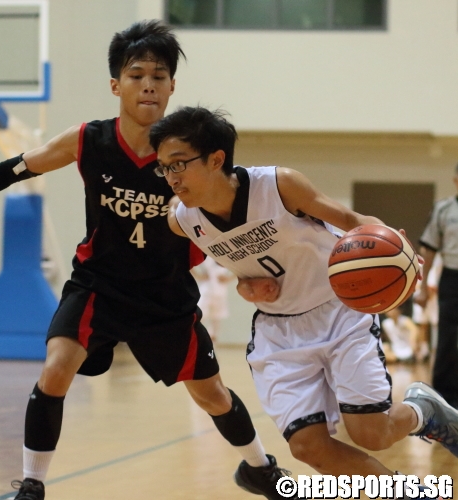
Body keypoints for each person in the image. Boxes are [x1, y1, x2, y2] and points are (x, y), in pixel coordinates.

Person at [0, 21, 292, 500]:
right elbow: (10, 170)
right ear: (116, 85)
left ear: (173, 86)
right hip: (98, 284)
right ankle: (31, 485)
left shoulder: (187, 155)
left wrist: (255, 271)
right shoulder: (88, 141)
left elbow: (234, 217)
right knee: (55, 369)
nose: (149, 84)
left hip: (165, 294)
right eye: (137, 75)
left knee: (211, 394)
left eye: (159, 75)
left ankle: (260, 467)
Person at [149, 105, 458, 479]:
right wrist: (247, 286)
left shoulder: (279, 186)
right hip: (280, 330)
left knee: (373, 434)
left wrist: (400, 251)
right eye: (164, 167)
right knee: (308, 448)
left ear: (216, 159)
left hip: (338, 311)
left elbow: (355, 222)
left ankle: (424, 409)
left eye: (179, 164)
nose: (171, 177)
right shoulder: (184, 220)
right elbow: (229, 254)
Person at [416, 164, 458, 408]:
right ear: (455, 180)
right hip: (452, 277)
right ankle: (444, 397)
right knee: (447, 337)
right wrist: (422, 289)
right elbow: (429, 248)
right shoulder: (444, 209)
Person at [192, 257, 234, 341]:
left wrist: (229, 278)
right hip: (206, 291)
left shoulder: (226, 257)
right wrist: (198, 276)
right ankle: (195, 339)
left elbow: (240, 269)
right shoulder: (206, 256)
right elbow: (188, 263)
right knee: (198, 317)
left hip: (221, 292)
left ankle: (212, 346)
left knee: (216, 320)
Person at [411, 252, 440, 362]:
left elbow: (434, 287)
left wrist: (428, 293)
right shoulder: (417, 264)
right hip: (420, 295)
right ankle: (424, 350)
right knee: (422, 324)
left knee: (435, 324)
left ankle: (435, 349)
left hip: (433, 299)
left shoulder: (437, 264)